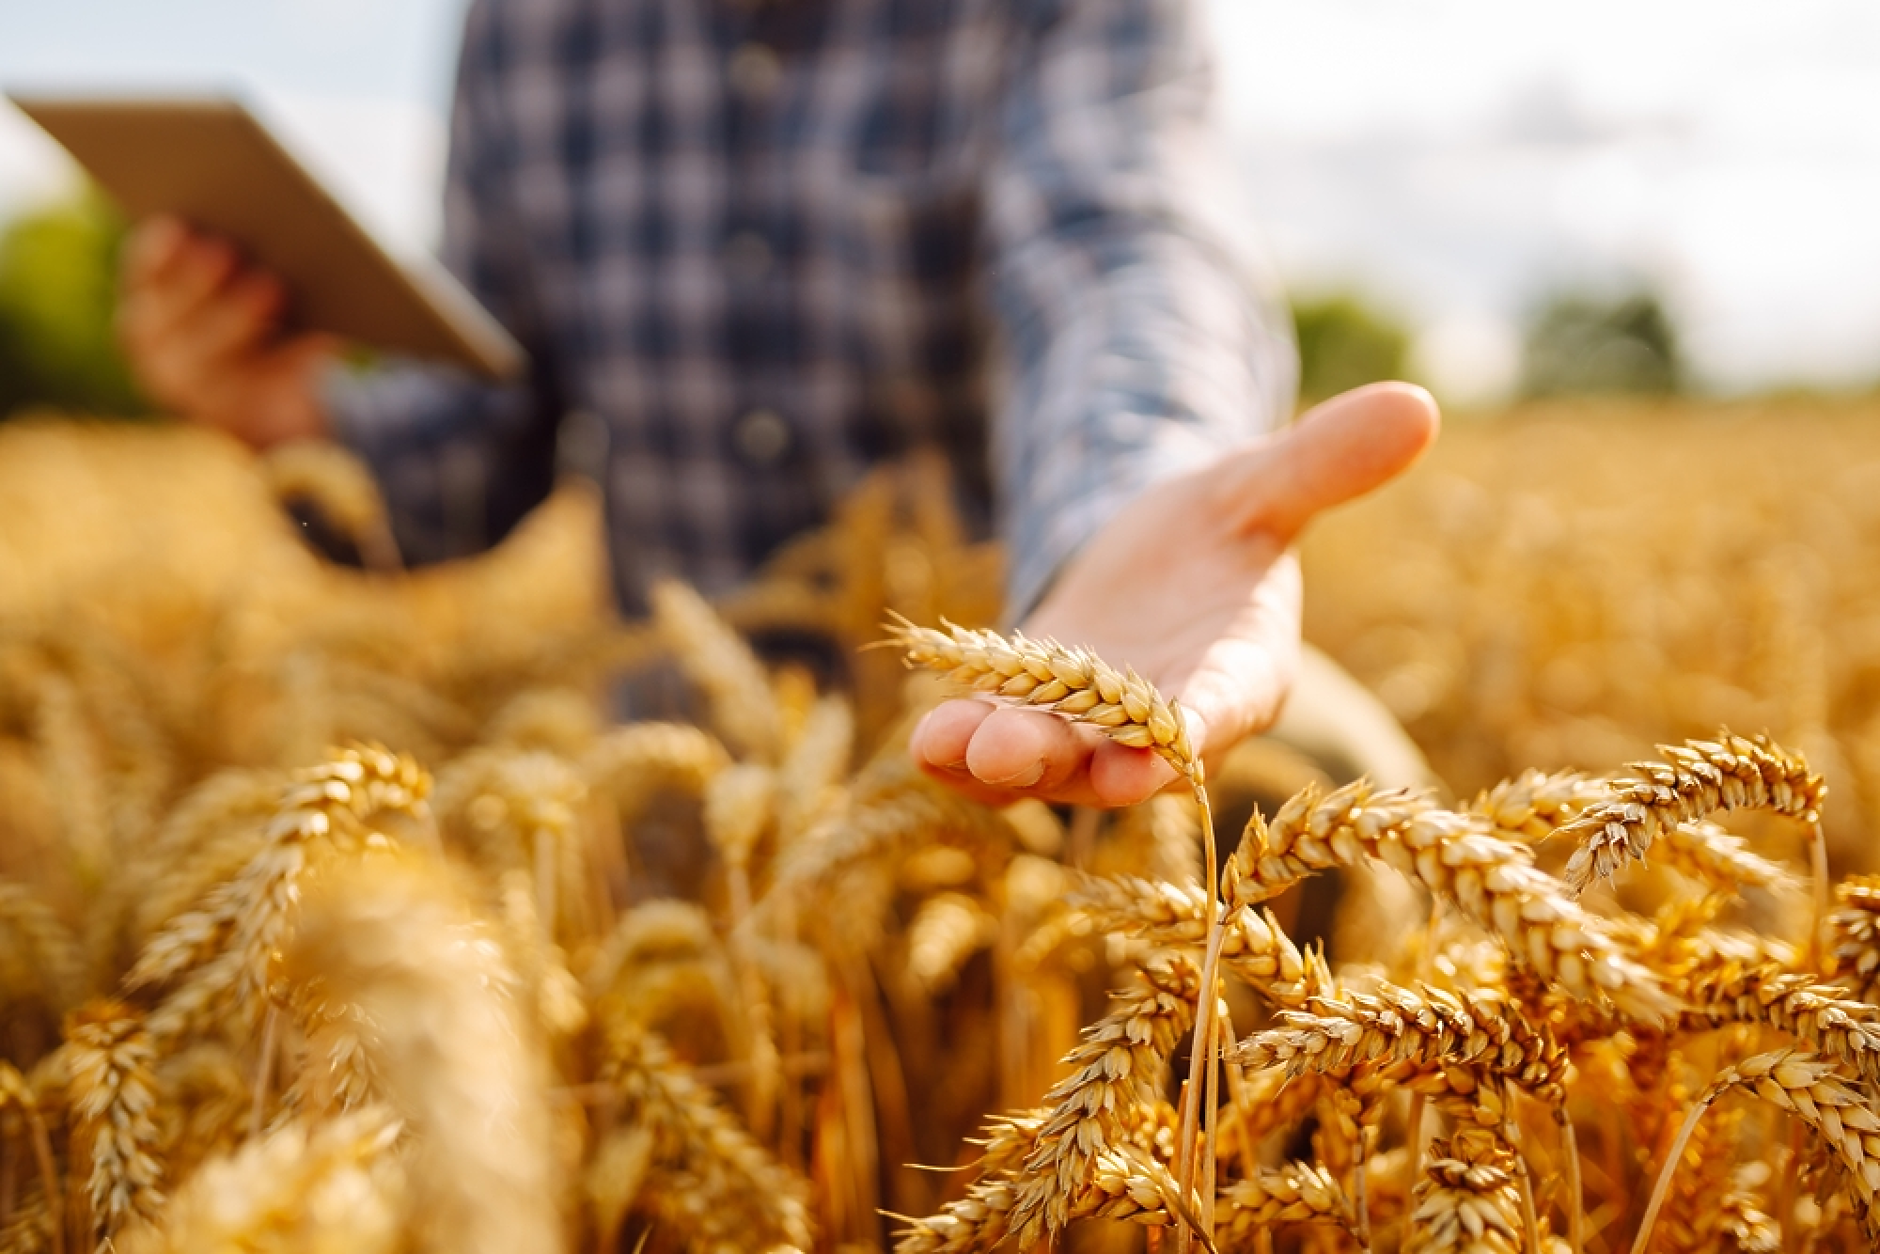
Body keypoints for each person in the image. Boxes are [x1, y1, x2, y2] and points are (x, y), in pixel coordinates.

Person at [118, 0, 1439, 814]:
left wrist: (1128, 503)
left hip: (1061, 690)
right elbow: (479, 442)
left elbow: (1116, 252)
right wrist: (286, 411)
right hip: (683, 759)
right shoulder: (527, 20)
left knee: (1338, 802)